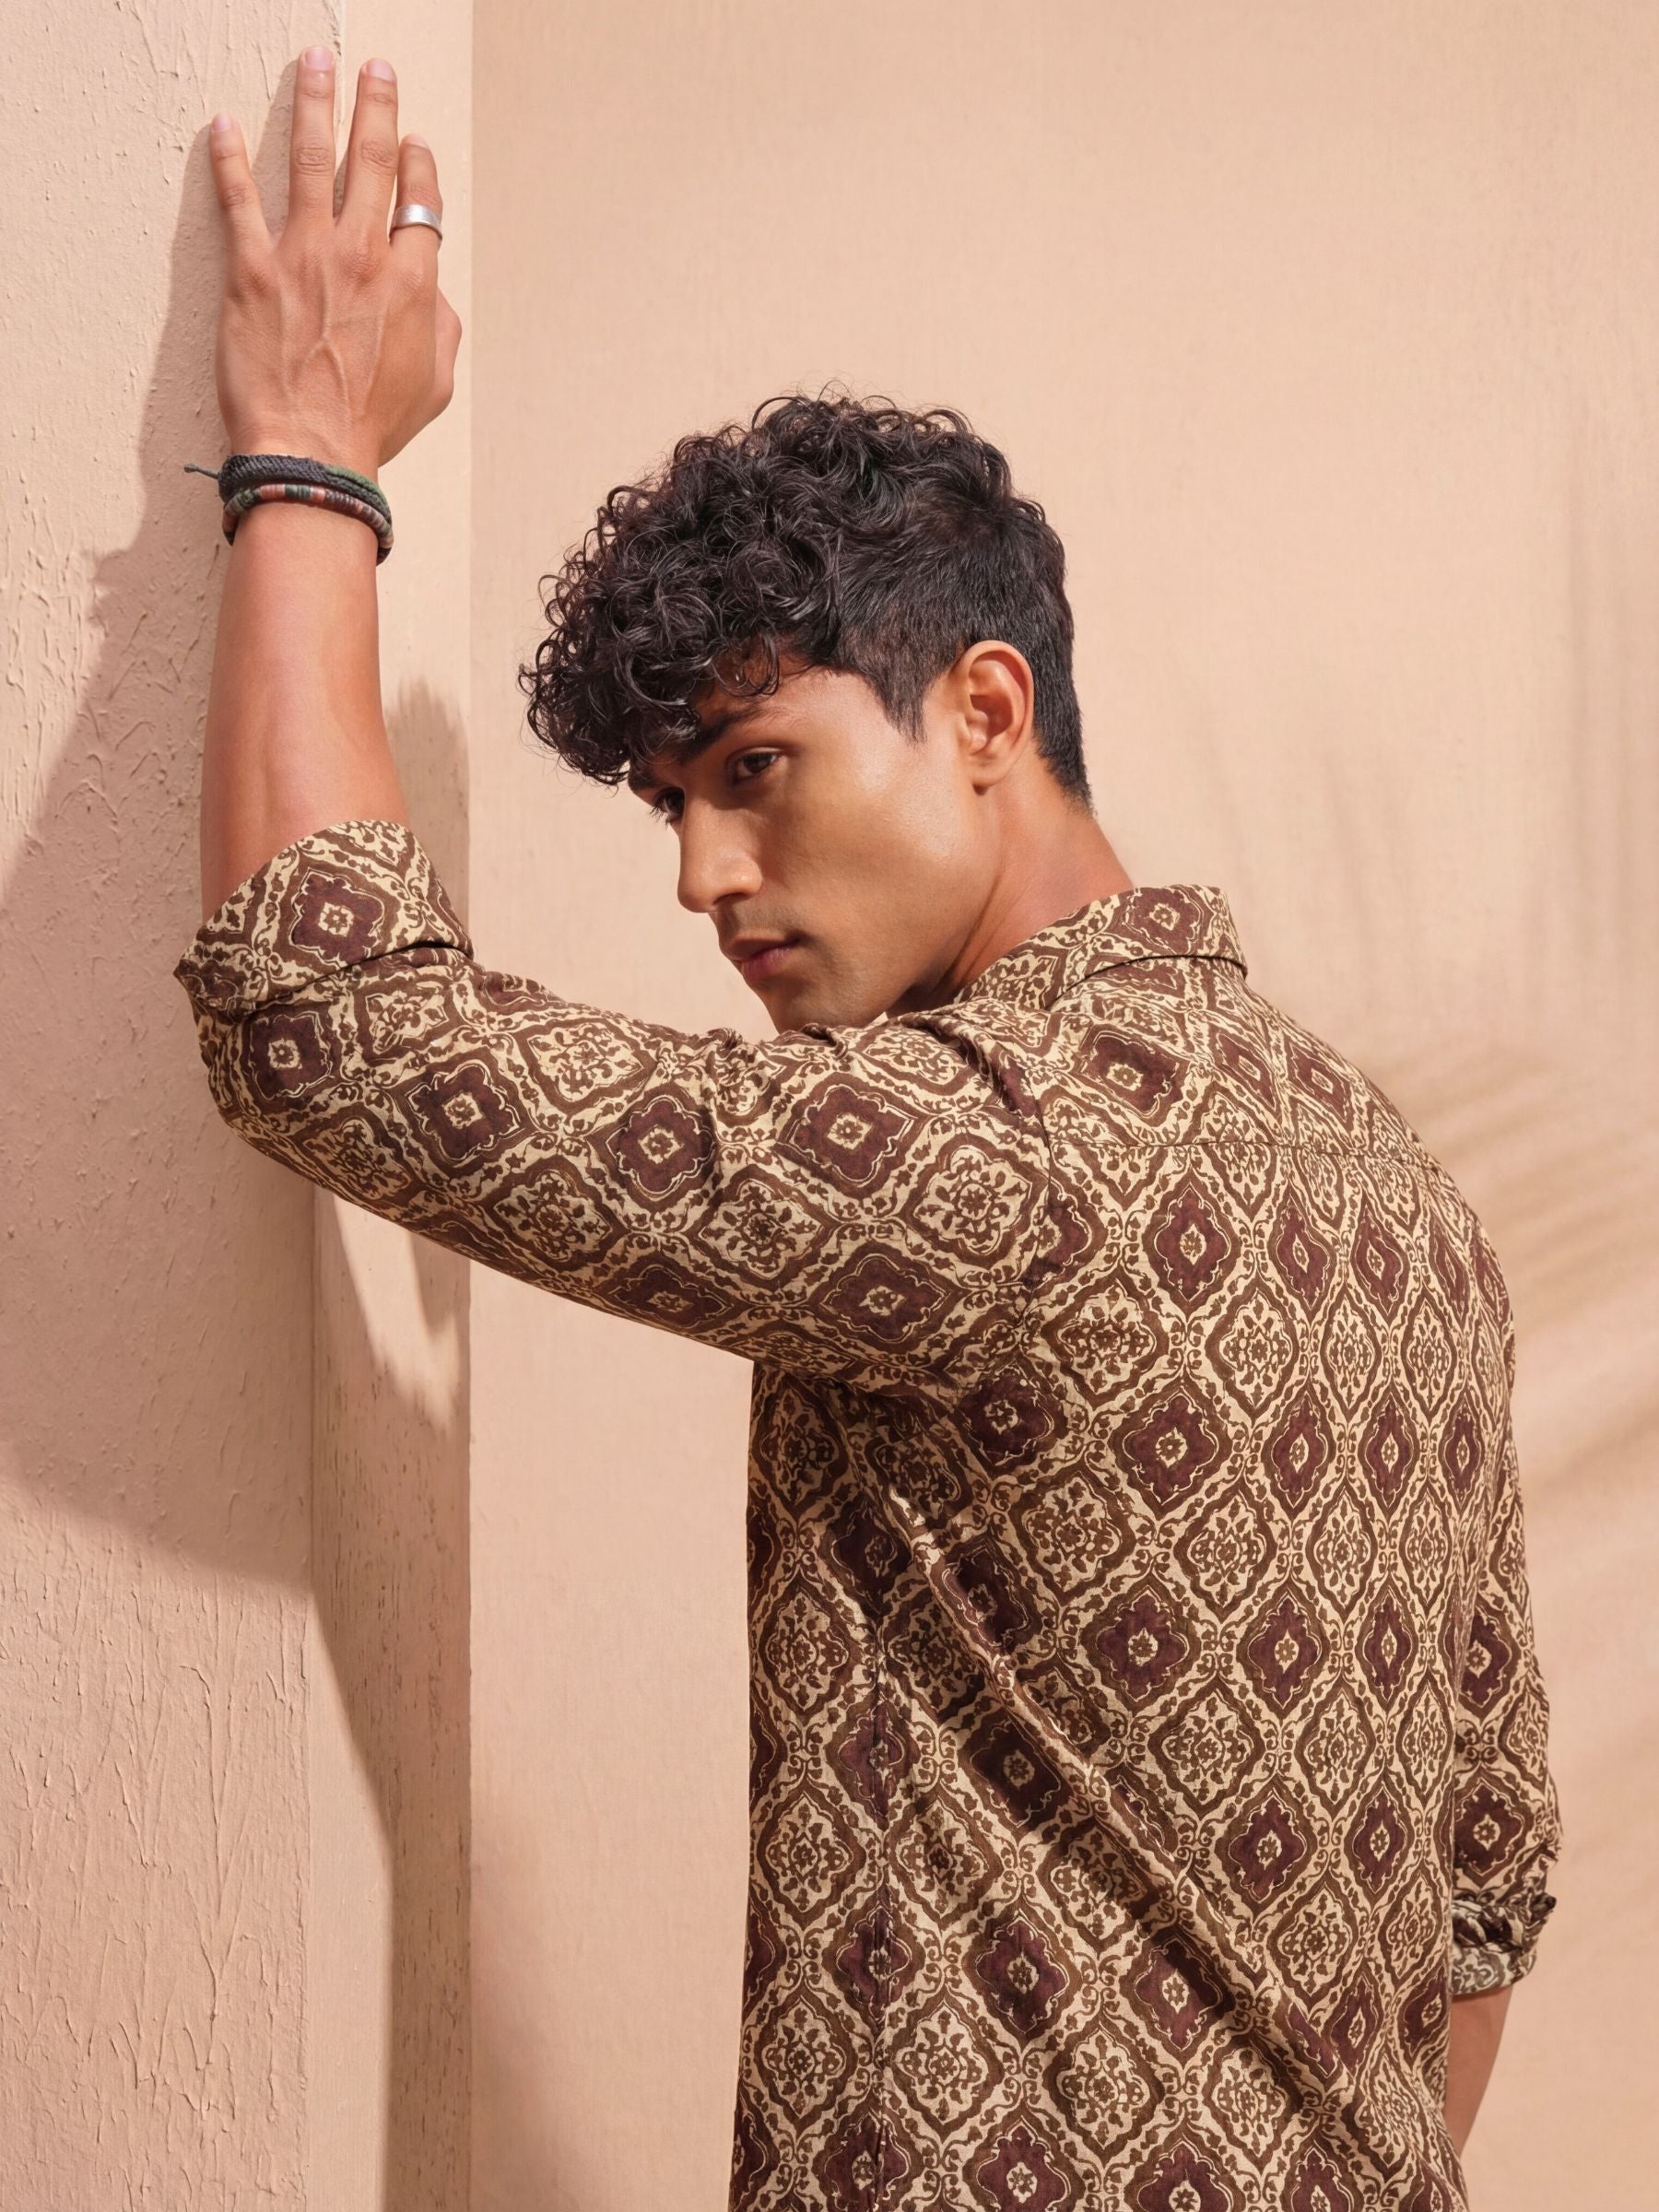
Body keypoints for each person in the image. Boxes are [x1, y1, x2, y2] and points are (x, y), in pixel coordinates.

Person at [179, 47, 1562, 2210]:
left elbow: (327, 1020)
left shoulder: (990, 1151)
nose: (704, 876)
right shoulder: (1398, 1189)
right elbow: (1483, 1898)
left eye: (756, 773)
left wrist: (305, 457)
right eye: (672, 806)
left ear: (985, 709)